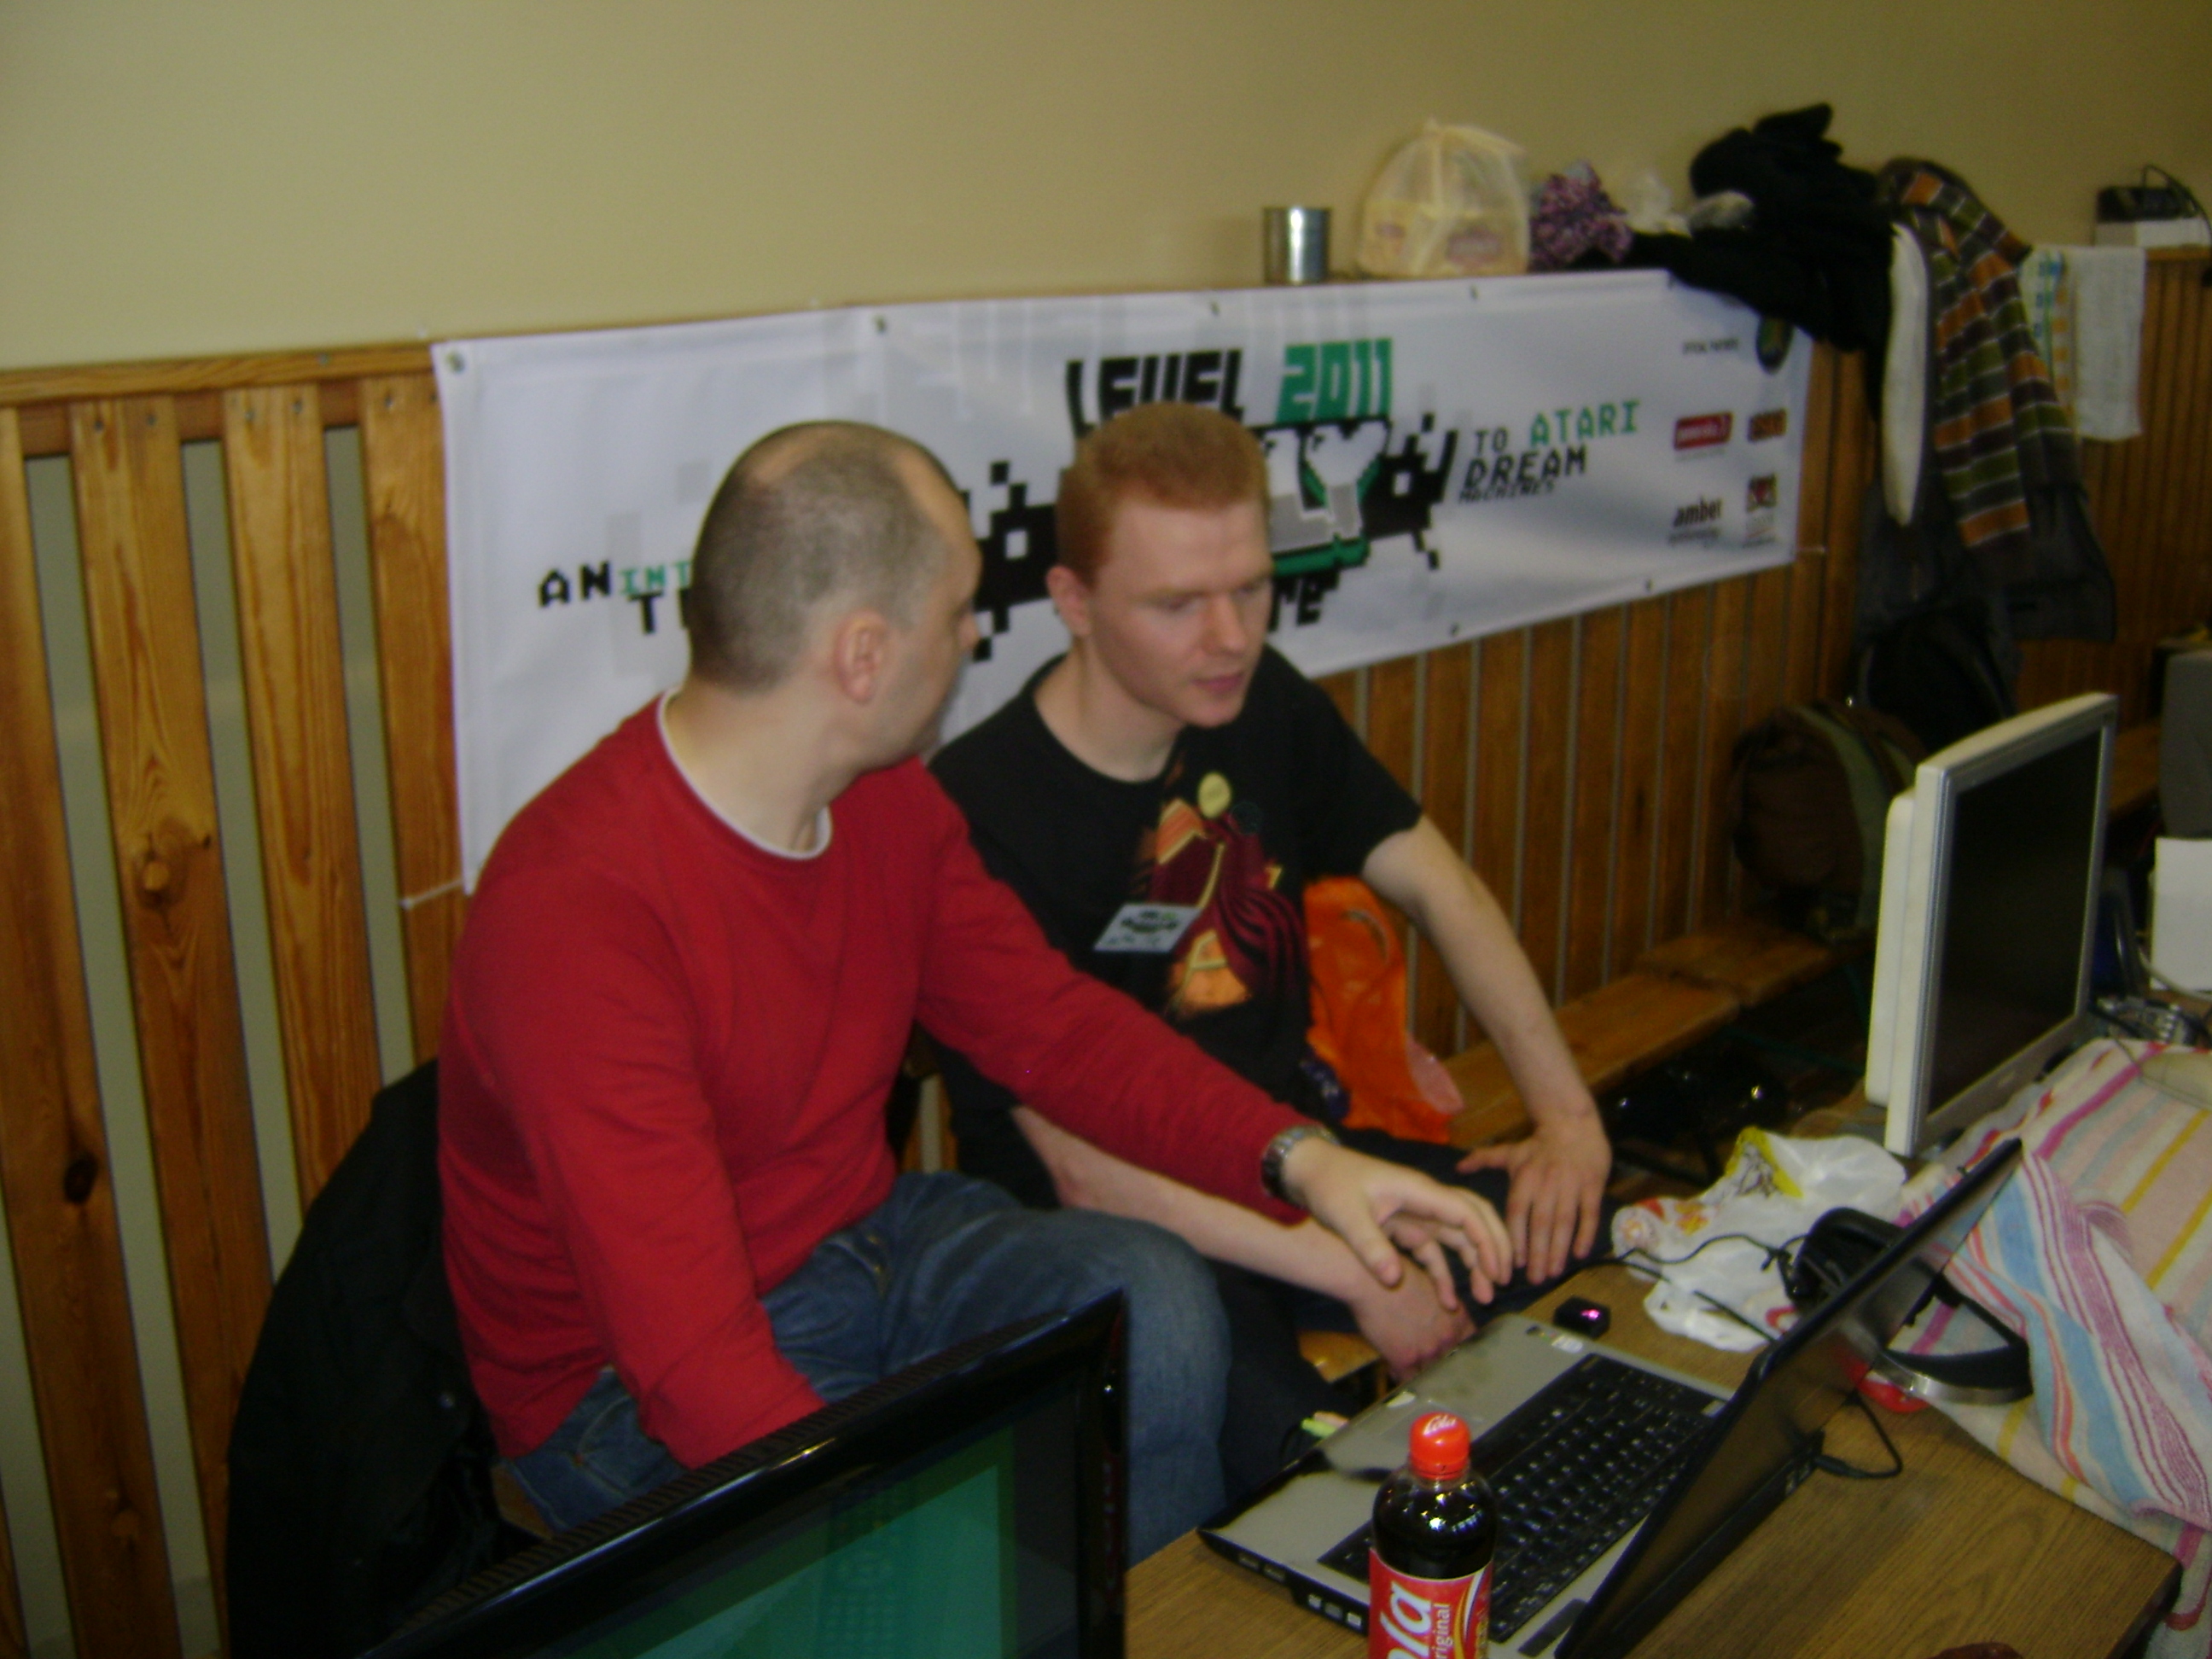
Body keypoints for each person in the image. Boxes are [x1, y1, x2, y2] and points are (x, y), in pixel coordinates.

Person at [437, 420, 1512, 1562]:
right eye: (957, 612)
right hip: (615, 1385)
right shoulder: (576, 915)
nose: (972, 636)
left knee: (1152, 1302)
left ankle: (1140, 1617)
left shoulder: (883, 799)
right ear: (863, 656)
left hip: (862, 1238)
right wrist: (918, 1553)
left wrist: (1301, 1159)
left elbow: (1053, 1029)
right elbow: (694, 1369)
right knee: (944, 1562)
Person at [931, 402, 1613, 1492]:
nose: (1231, 637)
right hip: (1123, 1234)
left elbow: (1442, 888)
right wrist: (1364, 1270)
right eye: (1177, 604)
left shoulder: (1259, 700)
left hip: (1301, 1164)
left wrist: (1567, 1122)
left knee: (1588, 1259)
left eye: (1251, 588)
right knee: (1291, 1469)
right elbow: (1082, 1171)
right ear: (1073, 601)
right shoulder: (976, 807)